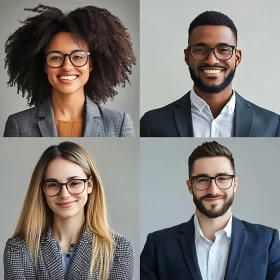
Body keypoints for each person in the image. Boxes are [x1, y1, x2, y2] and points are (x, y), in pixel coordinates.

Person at [141, 141, 280, 279]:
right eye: (202, 179)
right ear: (190, 186)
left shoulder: (266, 241)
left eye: (223, 178)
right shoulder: (158, 245)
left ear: (235, 184)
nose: (213, 190)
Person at [4, 141, 134, 279]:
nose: (64, 194)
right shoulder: (18, 249)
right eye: (53, 184)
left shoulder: (120, 249)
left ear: (89, 185)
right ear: (42, 189)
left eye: (74, 183)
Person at [140, 11, 280, 137]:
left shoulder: (272, 125)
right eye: (200, 50)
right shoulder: (152, 123)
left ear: (237, 58)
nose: (212, 60)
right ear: (187, 56)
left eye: (223, 49)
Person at [4, 5, 136, 137]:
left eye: (78, 57)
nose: (67, 66)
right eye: (55, 57)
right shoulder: (18, 125)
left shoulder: (119, 124)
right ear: (45, 66)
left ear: (91, 64)